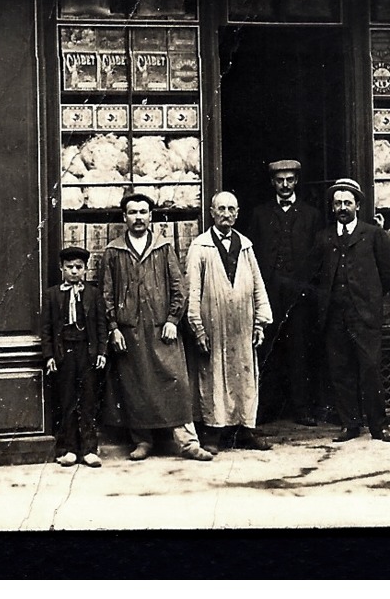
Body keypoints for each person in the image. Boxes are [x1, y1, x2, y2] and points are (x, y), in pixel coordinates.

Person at [99, 192, 215, 461]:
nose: (138, 217)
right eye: (133, 212)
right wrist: (114, 327)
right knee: (135, 385)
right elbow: (106, 292)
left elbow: (180, 288)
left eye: (143, 212)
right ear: (124, 217)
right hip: (130, 332)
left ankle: (187, 443)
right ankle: (142, 441)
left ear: (151, 216)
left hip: (162, 329)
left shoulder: (164, 248)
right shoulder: (113, 251)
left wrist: (173, 320)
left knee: (175, 382)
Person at [185, 191, 274, 451]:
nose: (226, 214)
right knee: (212, 376)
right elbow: (192, 290)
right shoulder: (200, 246)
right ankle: (213, 432)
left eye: (231, 209)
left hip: (242, 325)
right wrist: (197, 329)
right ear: (211, 212)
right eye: (221, 209)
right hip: (213, 324)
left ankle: (245, 430)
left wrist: (260, 321)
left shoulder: (245, 245)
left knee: (244, 375)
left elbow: (258, 285)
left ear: (237, 213)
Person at [315, 178, 390, 443]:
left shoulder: (373, 234)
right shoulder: (324, 237)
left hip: (364, 316)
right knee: (341, 371)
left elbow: (389, 273)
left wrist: (369, 299)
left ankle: (379, 426)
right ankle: (349, 424)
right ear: (332, 207)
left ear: (358, 206)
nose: (342, 207)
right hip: (335, 316)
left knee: (370, 369)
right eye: (338, 203)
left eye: (347, 202)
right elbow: (316, 274)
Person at [246, 158, 325, 426]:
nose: (285, 185)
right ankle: (267, 408)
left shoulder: (311, 215)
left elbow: (318, 257)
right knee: (269, 349)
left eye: (290, 180)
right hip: (268, 295)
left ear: (296, 181)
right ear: (272, 183)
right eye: (280, 180)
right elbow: (252, 254)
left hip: (299, 297)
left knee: (300, 350)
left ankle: (302, 408)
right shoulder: (260, 214)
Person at [41, 246, 108, 467]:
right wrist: (49, 356)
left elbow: (100, 325)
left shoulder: (93, 293)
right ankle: (68, 449)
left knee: (88, 400)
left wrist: (101, 352)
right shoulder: (52, 295)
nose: (74, 271)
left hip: (86, 353)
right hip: (64, 353)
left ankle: (89, 449)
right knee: (67, 400)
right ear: (62, 268)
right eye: (69, 267)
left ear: (86, 269)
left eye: (79, 267)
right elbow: (47, 329)